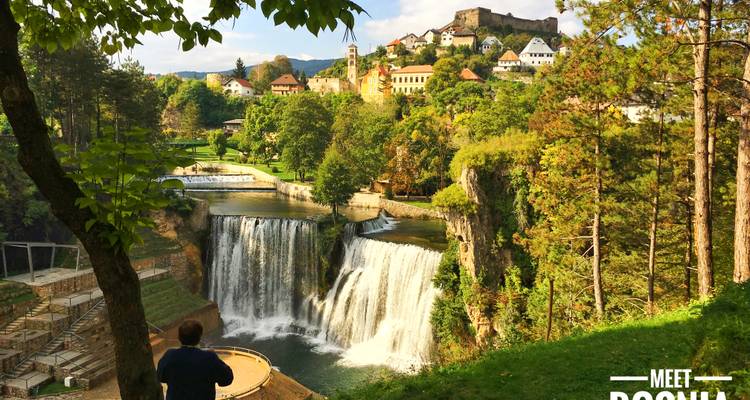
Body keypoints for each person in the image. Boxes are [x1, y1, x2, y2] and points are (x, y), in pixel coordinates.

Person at [157, 320, 234, 400]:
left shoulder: (170, 355)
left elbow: (161, 377)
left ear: (179, 337)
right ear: (199, 338)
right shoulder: (209, 358)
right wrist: (215, 357)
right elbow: (227, 379)